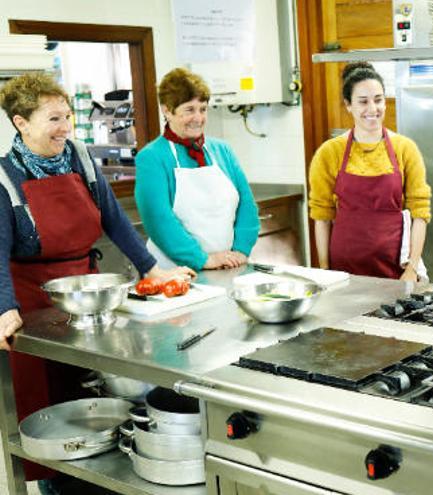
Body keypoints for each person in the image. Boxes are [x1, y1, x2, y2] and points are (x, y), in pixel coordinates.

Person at [0, 73, 194, 492]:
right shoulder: (4, 179)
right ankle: (56, 483)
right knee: (48, 401)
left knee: (99, 391)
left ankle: (103, 476)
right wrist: (3, 308)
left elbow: (115, 221)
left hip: (88, 296)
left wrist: (150, 269)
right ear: (21, 123)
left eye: (67, 116)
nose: (65, 127)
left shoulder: (80, 158)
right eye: (54, 119)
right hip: (32, 303)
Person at [309, 61, 431, 281]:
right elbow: (322, 217)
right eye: (363, 102)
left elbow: (420, 215)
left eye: (378, 100)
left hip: (395, 268)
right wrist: (325, 270)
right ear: (348, 105)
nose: (373, 109)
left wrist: (412, 268)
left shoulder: (405, 149)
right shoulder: (329, 153)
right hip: (343, 270)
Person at [135, 68, 260, 271]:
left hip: (228, 267)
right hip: (176, 273)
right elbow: (158, 220)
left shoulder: (222, 150)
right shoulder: (152, 158)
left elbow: (247, 205)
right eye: (189, 110)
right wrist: (203, 260)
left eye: (203, 109)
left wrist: (240, 251)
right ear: (167, 111)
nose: (198, 117)